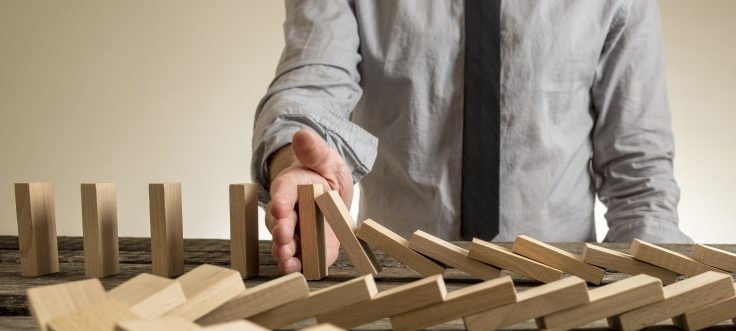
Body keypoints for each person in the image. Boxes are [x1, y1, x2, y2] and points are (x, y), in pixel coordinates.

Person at [253, 0, 687, 275]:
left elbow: (640, 176)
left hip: (561, 289)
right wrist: (296, 162)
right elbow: (312, 84)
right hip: (395, 283)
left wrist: (646, 295)